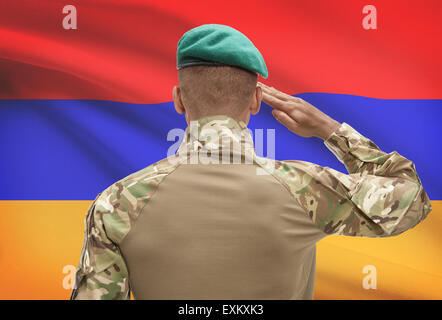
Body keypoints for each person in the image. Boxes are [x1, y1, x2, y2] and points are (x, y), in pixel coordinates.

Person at [70, 24, 432, 300]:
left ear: (179, 99)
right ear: (257, 100)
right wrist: (330, 129)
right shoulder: (306, 188)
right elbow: (411, 197)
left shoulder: (116, 203)